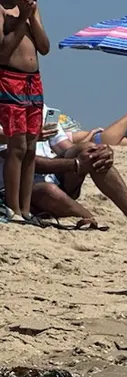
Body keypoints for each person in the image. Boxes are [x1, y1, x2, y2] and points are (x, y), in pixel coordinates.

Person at [0, 120, 127, 228]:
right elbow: (21, 160)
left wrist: (100, 151)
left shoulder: (39, 107)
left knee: (92, 151)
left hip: (54, 176)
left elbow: (67, 147)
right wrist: (75, 164)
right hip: (17, 187)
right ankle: (89, 218)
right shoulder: (8, 109)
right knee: (48, 190)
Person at [0, 0, 49, 224]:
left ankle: (26, 209)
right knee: (17, 146)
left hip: (33, 81)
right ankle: (13, 207)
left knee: (31, 146)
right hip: (11, 79)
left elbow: (44, 47)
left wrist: (31, 16)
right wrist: (21, 20)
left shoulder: (31, 8)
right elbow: (3, 51)